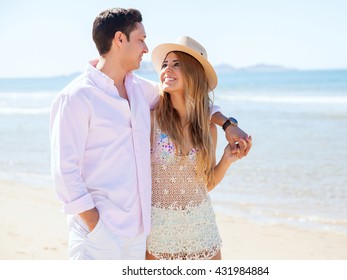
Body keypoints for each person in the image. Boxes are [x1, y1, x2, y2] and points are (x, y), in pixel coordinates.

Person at [50, 8, 251, 260]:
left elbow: (193, 102)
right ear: (120, 39)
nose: (146, 48)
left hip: (148, 234)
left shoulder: (138, 90)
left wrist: (227, 125)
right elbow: (64, 174)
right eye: (141, 39)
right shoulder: (79, 96)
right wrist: (96, 228)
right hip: (104, 234)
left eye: (176, 64)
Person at [146, 36, 250, 260]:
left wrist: (226, 159)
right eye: (165, 64)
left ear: (193, 73)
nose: (167, 70)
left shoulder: (207, 127)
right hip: (161, 232)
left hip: (202, 230)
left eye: (177, 64)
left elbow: (207, 184)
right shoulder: (150, 121)